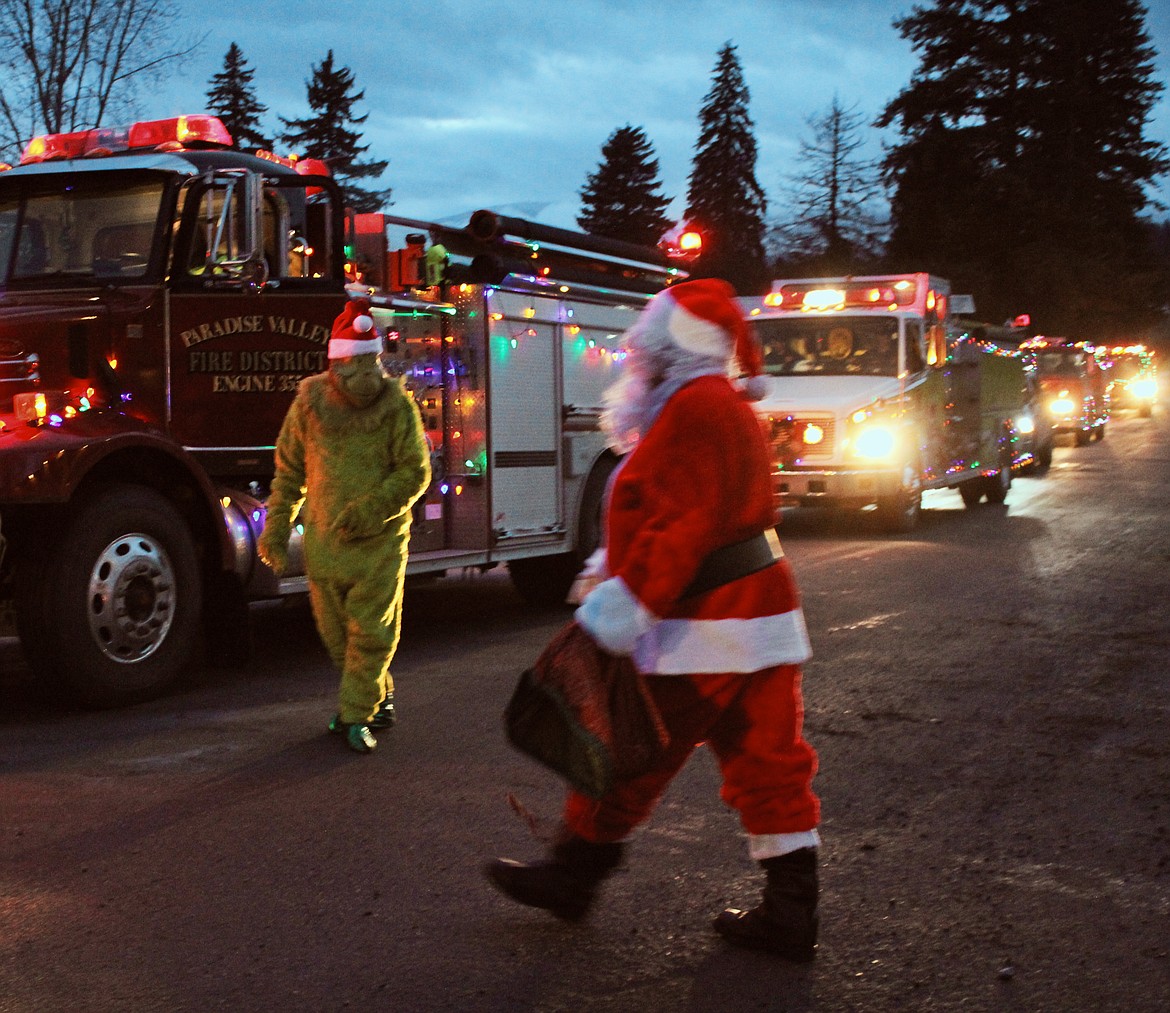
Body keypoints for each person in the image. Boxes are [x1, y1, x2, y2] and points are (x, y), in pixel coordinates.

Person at [485, 278, 822, 961]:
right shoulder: (714, 402)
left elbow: (679, 526)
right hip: (758, 614)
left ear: (671, 349)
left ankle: (573, 876)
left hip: (706, 624)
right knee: (769, 760)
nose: (634, 358)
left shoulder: (694, 407)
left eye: (646, 347)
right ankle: (791, 910)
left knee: (631, 747)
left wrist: (625, 607)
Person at [257, 298, 430, 753]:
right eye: (353, 364)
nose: (363, 376)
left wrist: (372, 511)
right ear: (336, 364)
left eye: (369, 362)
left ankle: (356, 716)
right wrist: (276, 530)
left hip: (379, 544)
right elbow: (289, 471)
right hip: (324, 547)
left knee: (371, 634)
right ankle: (380, 694)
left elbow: (414, 471)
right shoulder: (308, 405)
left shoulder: (397, 407)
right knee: (338, 641)